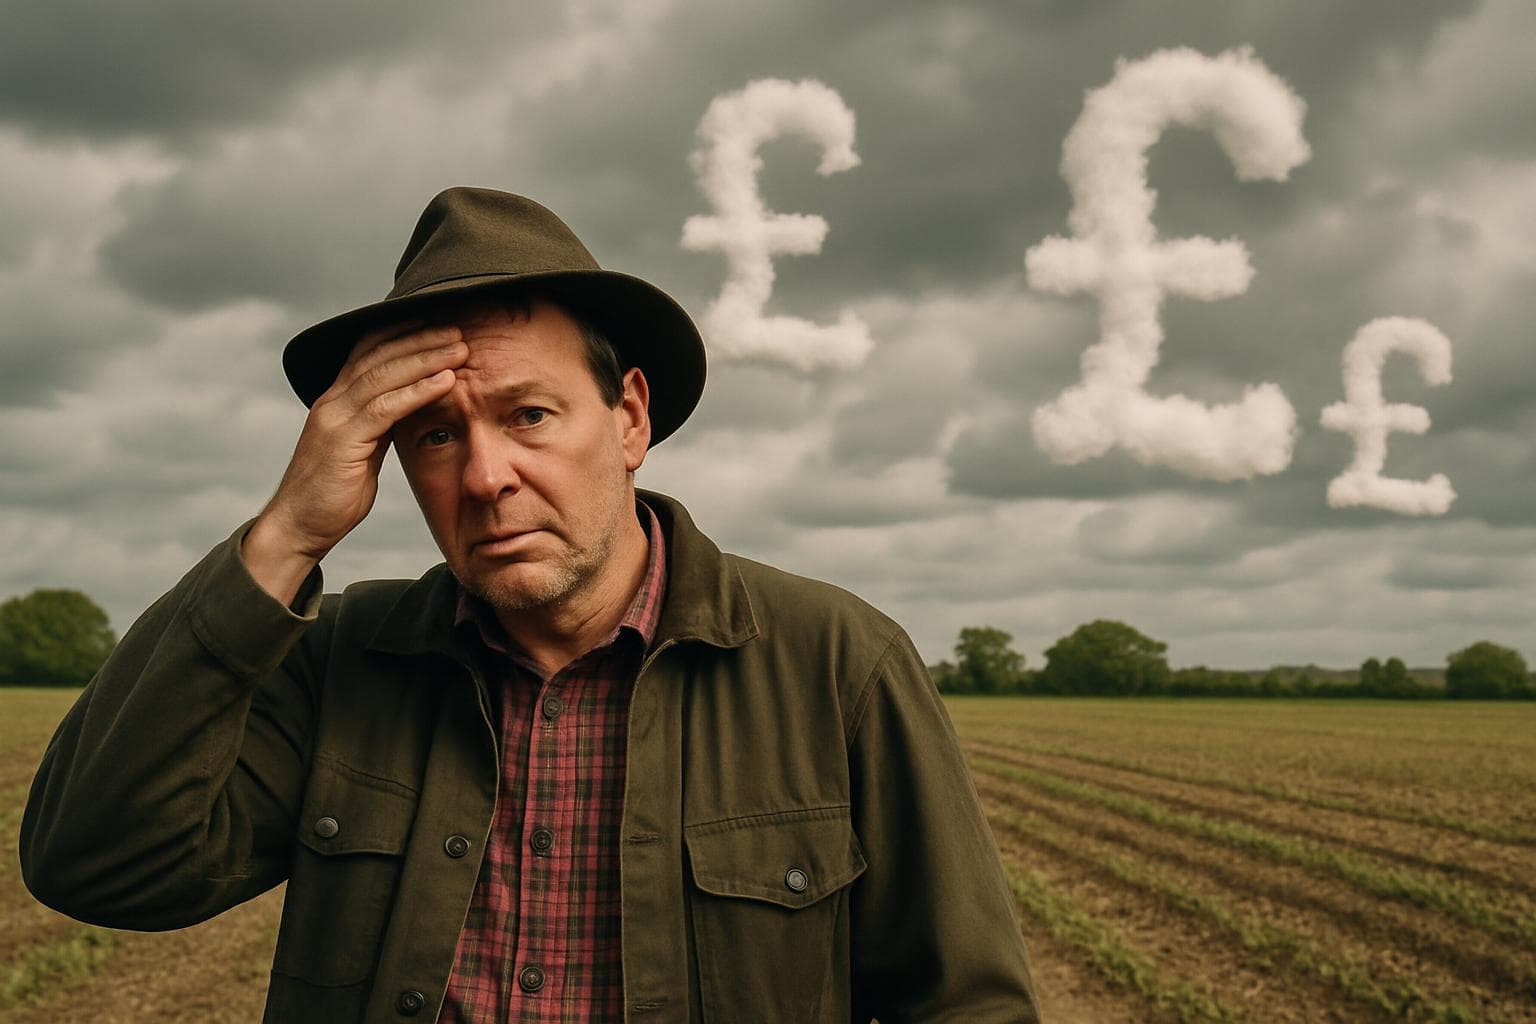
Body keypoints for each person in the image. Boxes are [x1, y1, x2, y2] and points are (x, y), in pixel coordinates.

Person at [21, 187, 1039, 1023]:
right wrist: (285, 534)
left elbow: (964, 1004)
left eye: (530, 414)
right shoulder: (341, 662)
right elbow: (97, 862)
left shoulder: (836, 663)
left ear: (629, 416)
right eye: (432, 435)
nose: (485, 475)